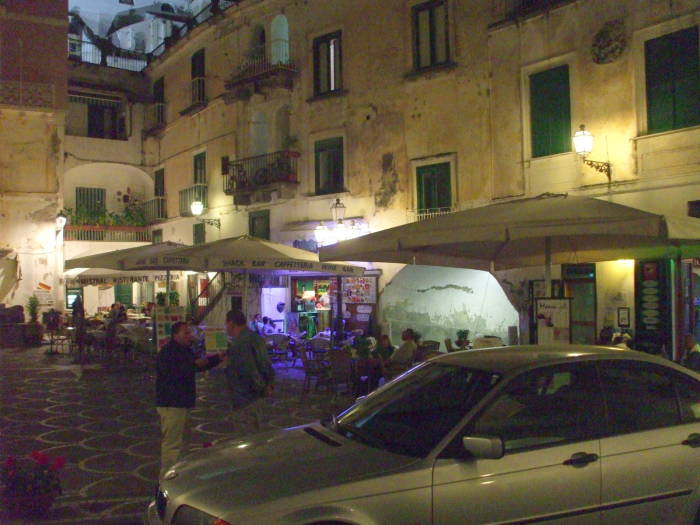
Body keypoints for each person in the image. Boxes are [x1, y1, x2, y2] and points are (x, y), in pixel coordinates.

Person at [156, 321, 222, 479]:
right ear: (175, 335)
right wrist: (197, 364)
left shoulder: (184, 350)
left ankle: (179, 475)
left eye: (189, 332)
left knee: (183, 443)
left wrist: (215, 359)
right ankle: (166, 480)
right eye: (185, 333)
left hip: (182, 402)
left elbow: (196, 366)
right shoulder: (169, 352)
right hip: (172, 403)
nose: (189, 336)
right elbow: (184, 369)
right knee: (173, 445)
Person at [224, 310, 275, 431]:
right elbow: (266, 364)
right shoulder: (255, 338)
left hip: (245, 397)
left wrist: (260, 387)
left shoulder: (239, 344)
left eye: (226, 323)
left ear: (231, 323)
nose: (226, 327)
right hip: (255, 396)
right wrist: (269, 384)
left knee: (246, 436)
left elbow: (248, 370)